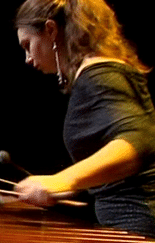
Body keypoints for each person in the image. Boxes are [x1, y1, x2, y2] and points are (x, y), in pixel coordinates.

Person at [13, 0, 155, 238]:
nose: (27, 58)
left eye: (28, 45)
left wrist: (63, 180)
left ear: (51, 30)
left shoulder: (97, 75)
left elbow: (140, 140)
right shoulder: (106, 71)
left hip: (135, 225)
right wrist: (69, 192)